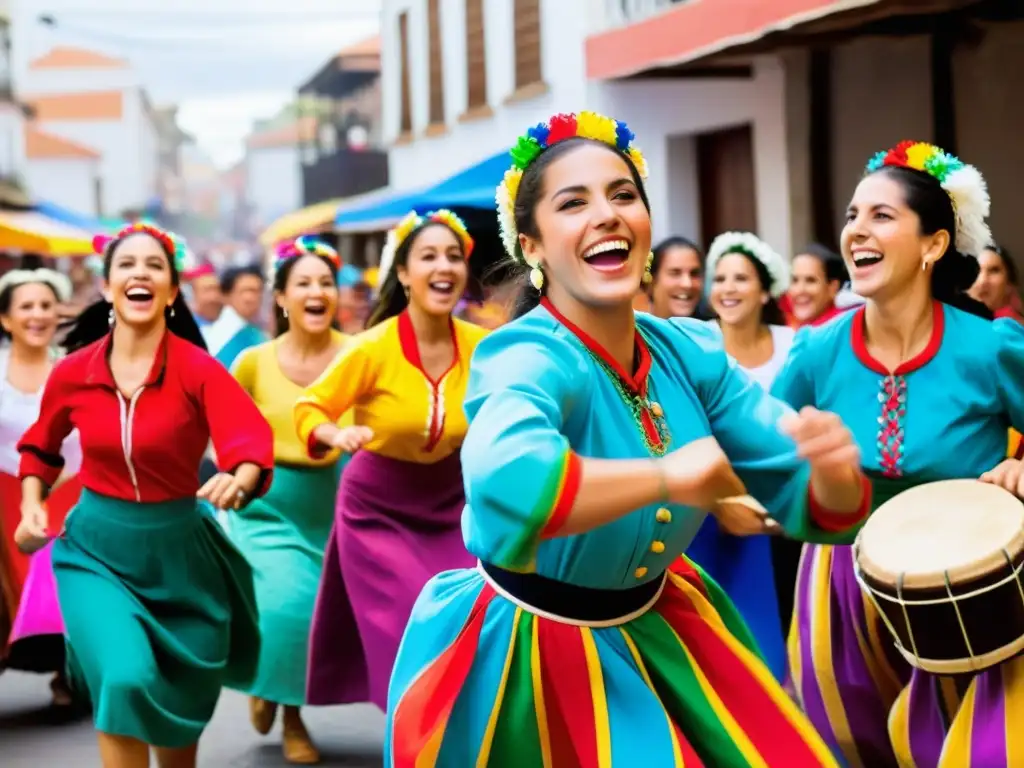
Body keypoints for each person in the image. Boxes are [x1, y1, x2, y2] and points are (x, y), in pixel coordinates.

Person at [384, 111, 870, 767]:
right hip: (532, 652)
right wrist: (671, 478)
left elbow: (801, 487)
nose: (607, 214)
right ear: (532, 246)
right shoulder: (524, 356)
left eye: (623, 195)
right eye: (573, 202)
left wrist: (831, 469)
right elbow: (509, 479)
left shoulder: (688, 350)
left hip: (661, 625)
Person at [774, 141, 1024, 766]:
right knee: (841, 749)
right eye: (853, 215)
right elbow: (761, 454)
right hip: (837, 586)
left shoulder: (990, 348)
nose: (857, 228)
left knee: (978, 751)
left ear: (934, 244)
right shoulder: (815, 353)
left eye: (881, 216)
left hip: (970, 585)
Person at [15, 222, 274, 768]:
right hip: (96, 554)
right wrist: (31, 503)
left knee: (181, 698)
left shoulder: (199, 371)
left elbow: (248, 440)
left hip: (181, 556)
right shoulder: (72, 373)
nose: (140, 274)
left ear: (172, 290)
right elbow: (40, 447)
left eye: (154, 266)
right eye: (126, 265)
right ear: (107, 287)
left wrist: (243, 476)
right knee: (126, 678)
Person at [294, 209, 486, 712]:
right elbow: (310, 406)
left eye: (452, 256)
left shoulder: (484, 346)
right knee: (412, 629)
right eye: (428, 256)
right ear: (402, 274)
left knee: (471, 625)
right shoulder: (372, 348)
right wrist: (336, 431)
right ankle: (414, 740)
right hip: (377, 511)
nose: (443, 267)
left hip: (454, 508)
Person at [229, 237, 350, 765]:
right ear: (281, 298)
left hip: (339, 506)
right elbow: (227, 431)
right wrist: (234, 475)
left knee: (325, 619)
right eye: (303, 283)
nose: (317, 291)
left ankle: (269, 685)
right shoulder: (253, 361)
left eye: (326, 283)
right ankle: (291, 716)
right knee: (287, 609)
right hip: (269, 507)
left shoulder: (360, 352)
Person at [686, 230, 796, 680]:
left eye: (742, 278)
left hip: (781, 513)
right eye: (721, 279)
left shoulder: (792, 345)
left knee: (778, 638)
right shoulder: (694, 343)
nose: (728, 288)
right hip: (709, 509)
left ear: (765, 289)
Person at [0, 265, 82, 707]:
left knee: (63, 591)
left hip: (69, 495)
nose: (37, 315)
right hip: (4, 498)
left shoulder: (76, 370)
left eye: (46, 306)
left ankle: (68, 672)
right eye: (26, 307)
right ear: (6, 319)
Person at [204, 264, 267, 369]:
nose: (251, 298)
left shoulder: (257, 334)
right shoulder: (213, 335)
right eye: (246, 290)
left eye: (257, 291)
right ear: (225, 295)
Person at [646, 235, 709, 319]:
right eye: (675, 273)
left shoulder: (713, 330)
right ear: (651, 282)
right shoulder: (631, 330)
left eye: (694, 273)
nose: (687, 284)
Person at [787, 243, 850, 327]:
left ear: (833, 288)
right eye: (795, 280)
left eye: (810, 280)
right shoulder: (795, 328)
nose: (799, 290)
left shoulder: (842, 328)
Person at [970, 243, 1023, 322]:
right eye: (975, 270)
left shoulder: (1014, 328)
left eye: (994, 270)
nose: (983, 281)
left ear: (1008, 285)